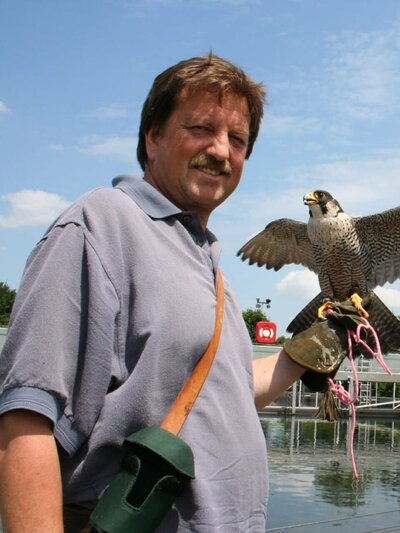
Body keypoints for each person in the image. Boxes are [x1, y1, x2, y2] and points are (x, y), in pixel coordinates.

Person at [0, 54, 307, 531]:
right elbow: (26, 419)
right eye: (202, 128)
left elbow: (219, 397)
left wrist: (300, 355)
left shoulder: (206, 260)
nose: (222, 150)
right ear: (153, 137)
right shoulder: (100, 224)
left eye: (238, 139)